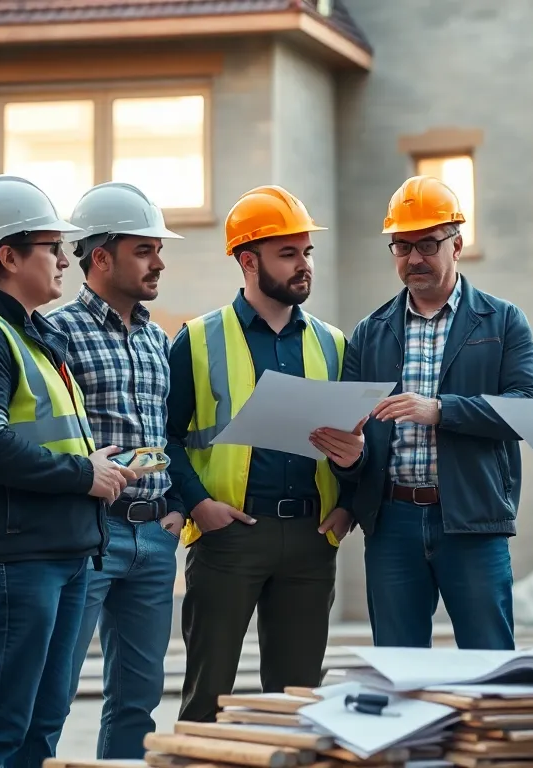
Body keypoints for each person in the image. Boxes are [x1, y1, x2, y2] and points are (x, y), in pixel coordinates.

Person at [0, 174, 136, 768]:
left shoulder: (33, 335)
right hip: (16, 561)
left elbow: (40, 437)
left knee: (41, 725)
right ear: (8, 256)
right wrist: (82, 475)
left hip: (62, 552)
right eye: (51, 246)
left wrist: (99, 468)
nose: (65, 259)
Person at [327, 175, 533, 651]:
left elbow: (531, 408)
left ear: (457, 244)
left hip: (472, 518)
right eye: (401, 246)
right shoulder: (370, 332)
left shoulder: (503, 321)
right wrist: (349, 467)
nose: (414, 258)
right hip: (392, 523)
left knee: (488, 665)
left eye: (427, 243)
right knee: (399, 667)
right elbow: (352, 432)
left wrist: (441, 410)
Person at [165, 185, 358, 722]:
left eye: (307, 253)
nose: (304, 266)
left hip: (310, 538)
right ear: (248, 261)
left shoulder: (333, 344)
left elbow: (357, 440)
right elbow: (166, 437)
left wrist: (348, 506)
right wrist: (200, 505)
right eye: (288, 253)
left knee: (297, 704)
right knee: (206, 697)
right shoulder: (197, 339)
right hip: (228, 537)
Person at [47, 182, 186, 759]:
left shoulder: (158, 338)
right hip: (88, 536)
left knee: (138, 699)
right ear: (100, 257)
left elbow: (166, 433)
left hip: (154, 539)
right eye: (144, 250)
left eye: (158, 250)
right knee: (52, 689)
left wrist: (176, 502)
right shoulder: (57, 333)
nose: (159, 262)